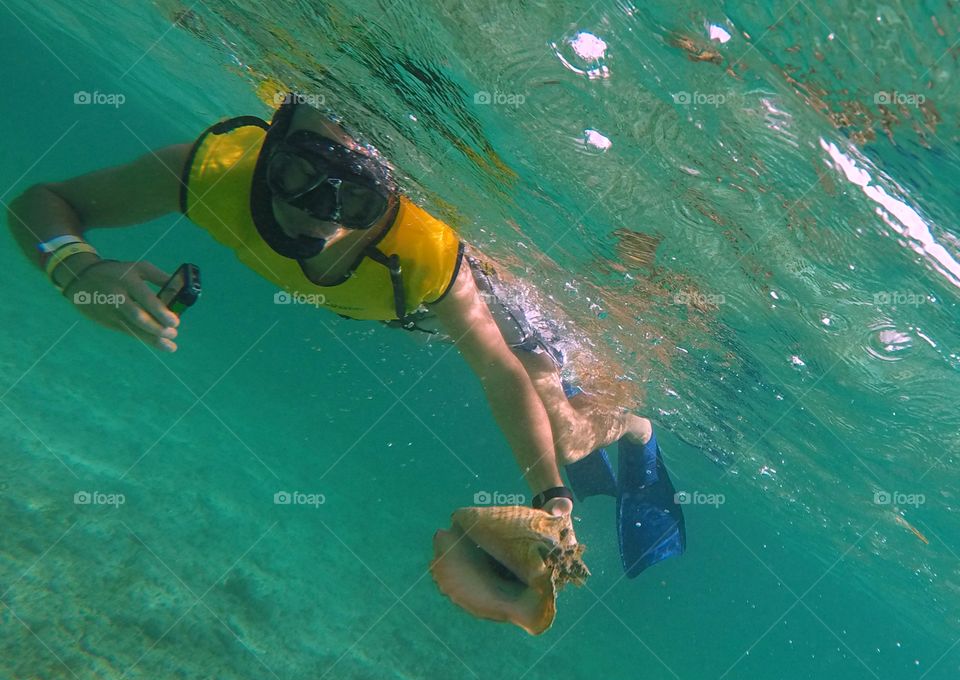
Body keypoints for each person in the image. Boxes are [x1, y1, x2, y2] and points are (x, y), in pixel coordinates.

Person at [6, 95, 684, 576]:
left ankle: (635, 428)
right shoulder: (216, 173)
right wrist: (78, 268)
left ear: (386, 201)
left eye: (352, 199)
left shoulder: (424, 253)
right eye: (299, 175)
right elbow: (40, 203)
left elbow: (499, 369)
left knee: (560, 432)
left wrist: (551, 497)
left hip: (512, 320)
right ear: (270, 148)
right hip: (409, 314)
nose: (317, 217)